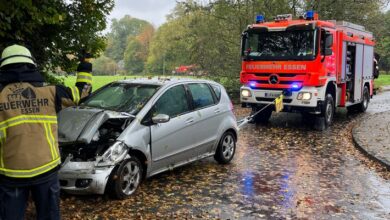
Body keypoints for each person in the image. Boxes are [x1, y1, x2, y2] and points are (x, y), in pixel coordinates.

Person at [0, 44, 81, 220]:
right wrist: (85, 65)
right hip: (47, 169)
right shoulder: (51, 92)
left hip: (12, 172)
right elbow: (81, 93)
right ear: (31, 65)